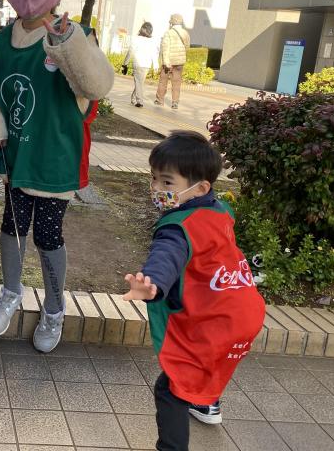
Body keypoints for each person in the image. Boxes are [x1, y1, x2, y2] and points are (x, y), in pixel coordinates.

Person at [0, 0, 114, 353]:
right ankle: (11, 293)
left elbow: (96, 87)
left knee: (48, 236)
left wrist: (68, 41)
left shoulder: (73, 35)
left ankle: (54, 310)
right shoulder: (3, 39)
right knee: (12, 227)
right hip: (18, 155)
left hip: (55, 159)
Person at [123, 131, 266, 451]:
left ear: (200, 187)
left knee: (170, 388)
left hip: (213, 321)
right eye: (154, 179)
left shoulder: (177, 227)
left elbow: (167, 257)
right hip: (243, 311)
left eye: (167, 183)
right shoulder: (218, 210)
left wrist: (152, 285)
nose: (156, 189)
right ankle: (206, 403)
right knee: (210, 362)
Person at [155, 14, 189, 109]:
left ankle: (160, 100)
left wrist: (166, 62)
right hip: (180, 62)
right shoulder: (185, 33)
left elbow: (165, 48)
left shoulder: (168, 33)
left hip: (169, 61)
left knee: (163, 81)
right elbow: (187, 47)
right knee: (177, 83)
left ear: (172, 22)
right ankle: (175, 102)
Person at [122, 21, 159, 107]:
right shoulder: (150, 41)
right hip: (143, 64)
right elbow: (154, 54)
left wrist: (125, 64)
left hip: (141, 64)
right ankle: (140, 101)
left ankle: (134, 98)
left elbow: (130, 52)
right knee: (139, 83)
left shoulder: (137, 39)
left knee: (139, 83)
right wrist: (156, 65)